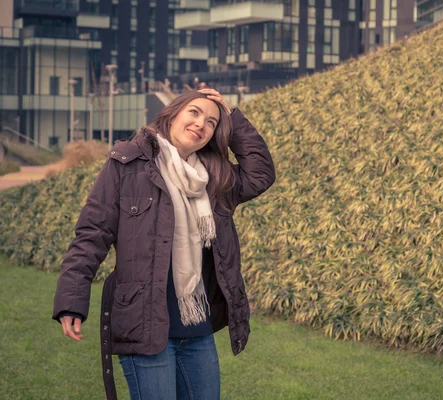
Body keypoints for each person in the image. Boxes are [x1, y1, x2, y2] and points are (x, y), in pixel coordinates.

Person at [52, 88, 276, 400]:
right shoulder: (127, 166)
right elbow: (91, 236)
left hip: (197, 329)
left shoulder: (214, 177)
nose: (201, 124)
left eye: (212, 122)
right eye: (194, 112)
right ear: (173, 113)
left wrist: (232, 118)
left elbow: (260, 174)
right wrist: (71, 301)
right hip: (144, 327)